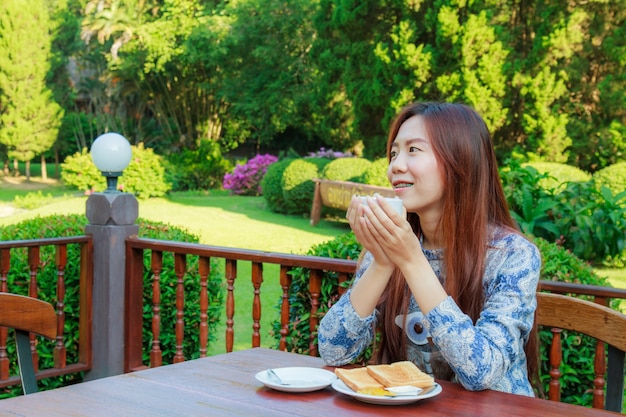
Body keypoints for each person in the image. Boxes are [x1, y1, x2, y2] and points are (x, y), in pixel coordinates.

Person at [317, 102, 541, 396]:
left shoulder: (513, 255)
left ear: (460, 160)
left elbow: (482, 371)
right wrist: (383, 263)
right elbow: (334, 352)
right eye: (394, 152)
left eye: (413, 150)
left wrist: (411, 261)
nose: (395, 166)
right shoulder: (393, 244)